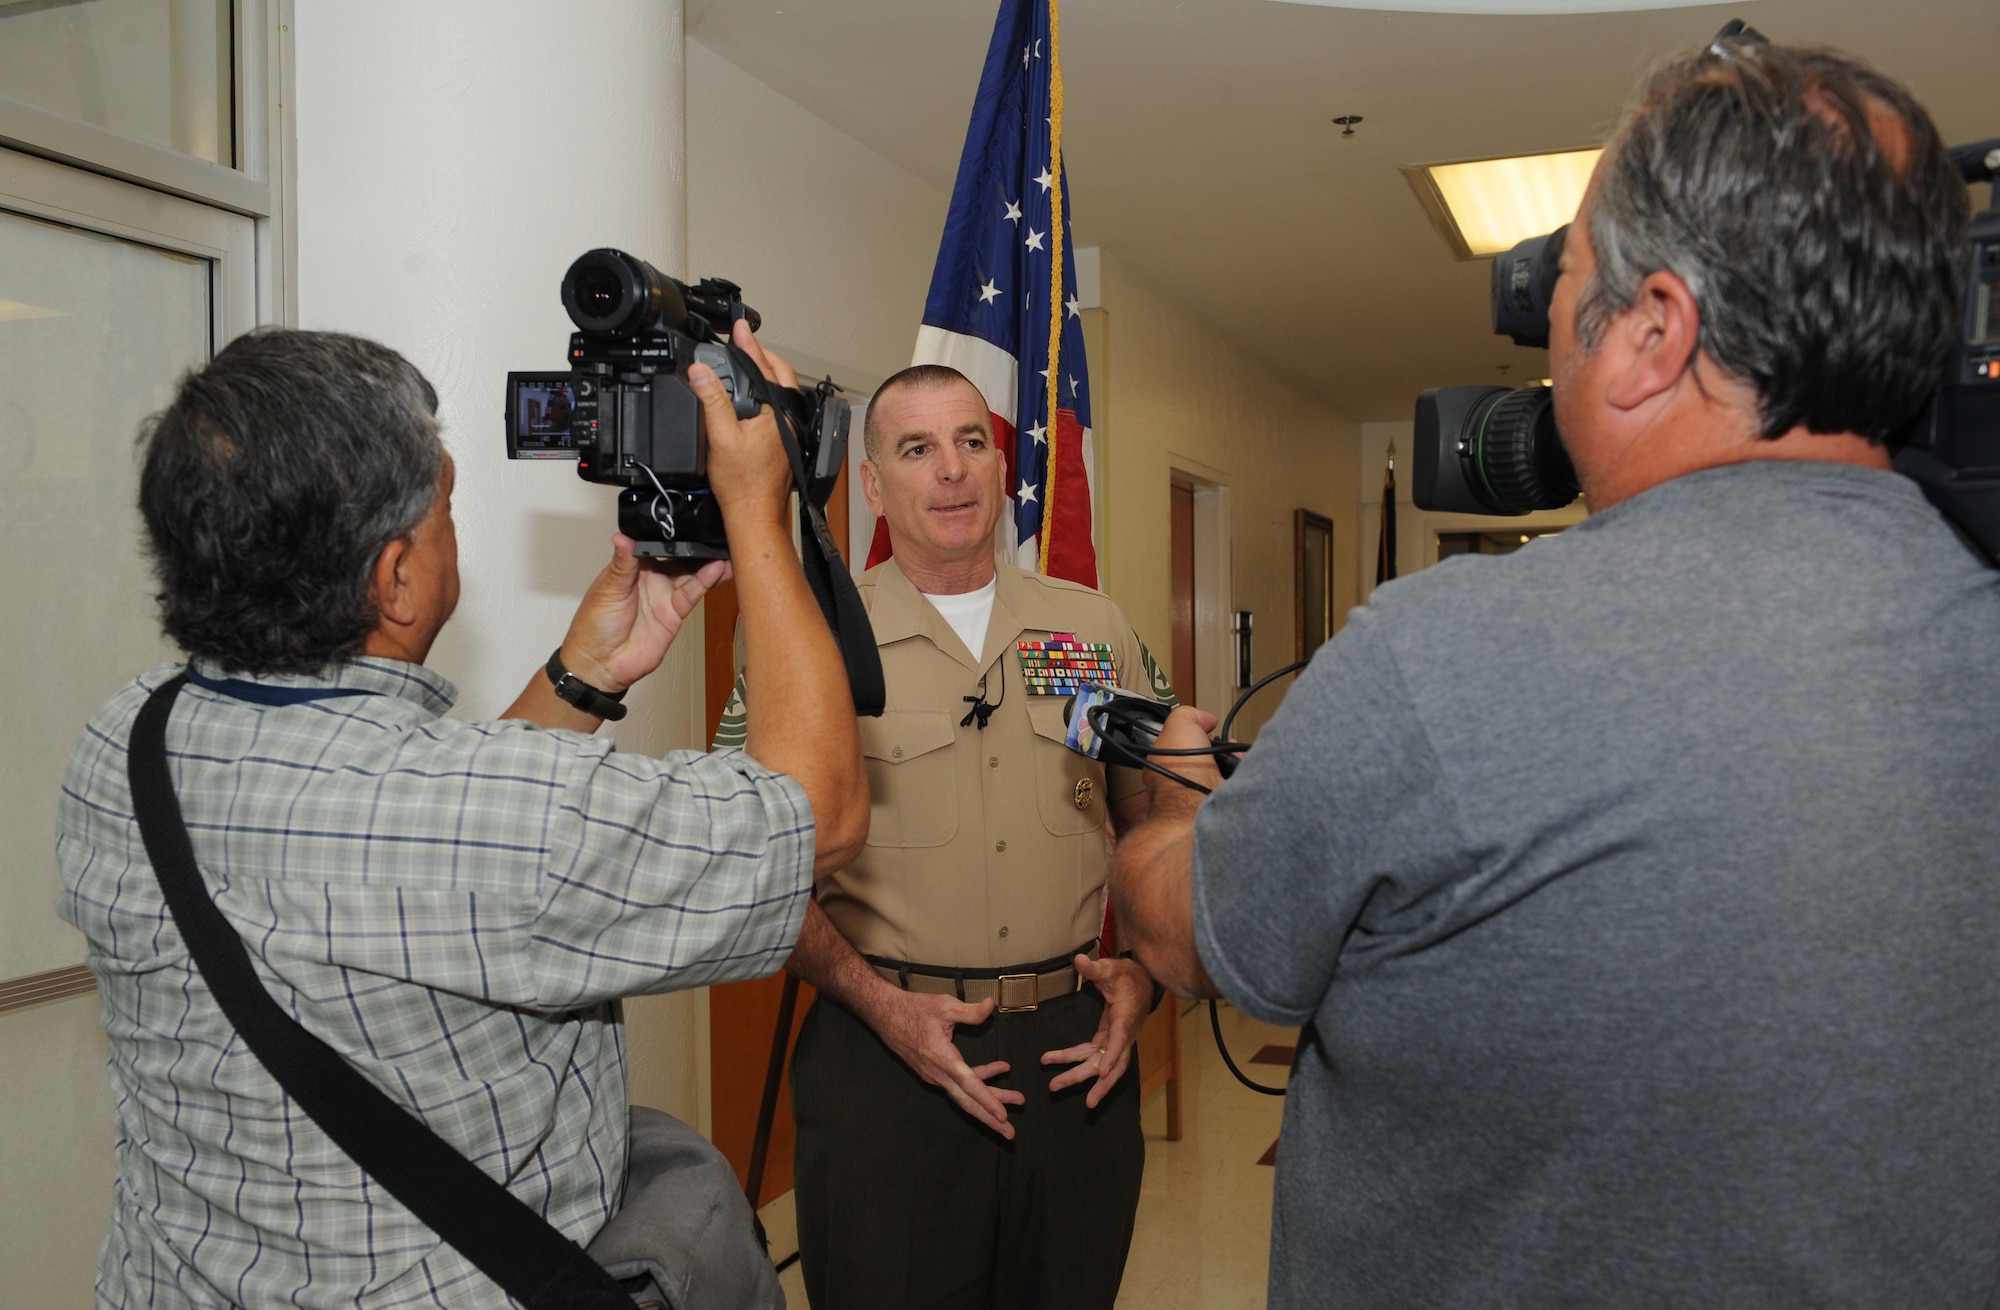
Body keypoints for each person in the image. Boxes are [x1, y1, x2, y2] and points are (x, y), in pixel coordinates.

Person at [1112, 40, 1999, 1308]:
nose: (1541, 336)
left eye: (1561, 282)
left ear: (1647, 333)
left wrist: (1179, 803)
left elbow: (1190, 934)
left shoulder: (1438, 653)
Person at [56, 323, 867, 1307]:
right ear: (394, 576)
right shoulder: (501, 820)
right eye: (444, 506)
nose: (453, 530)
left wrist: (583, 672)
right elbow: (817, 814)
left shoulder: (121, 741)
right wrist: (759, 516)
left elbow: (418, 852)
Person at [714, 363, 1175, 1308]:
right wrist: (882, 1008)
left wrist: (1154, 974)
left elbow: (1157, 824)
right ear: (875, 484)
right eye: (917, 450)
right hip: (885, 1060)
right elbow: (755, 872)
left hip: (1073, 1060)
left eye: (972, 442)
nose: (953, 471)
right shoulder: (810, 639)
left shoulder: (1093, 629)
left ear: (1002, 466)